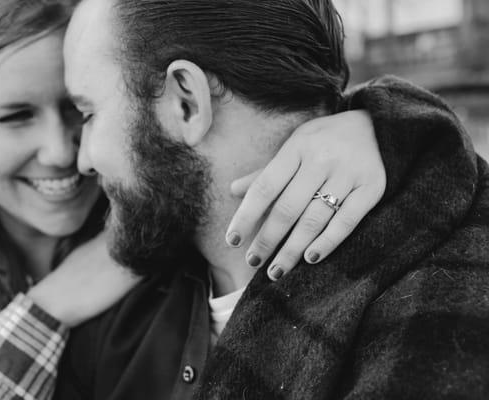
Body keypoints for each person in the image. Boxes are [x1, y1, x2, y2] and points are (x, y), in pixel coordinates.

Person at [0, 0, 389, 399]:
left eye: (79, 111)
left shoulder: (155, 211)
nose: (64, 152)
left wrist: (381, 125)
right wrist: (48, 307)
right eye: (15, 117)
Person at [56, 0, 489, 399]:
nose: (80, 160)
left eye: (89, 114)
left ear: (186, 102)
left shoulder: (442, 317)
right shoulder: (134, 287)